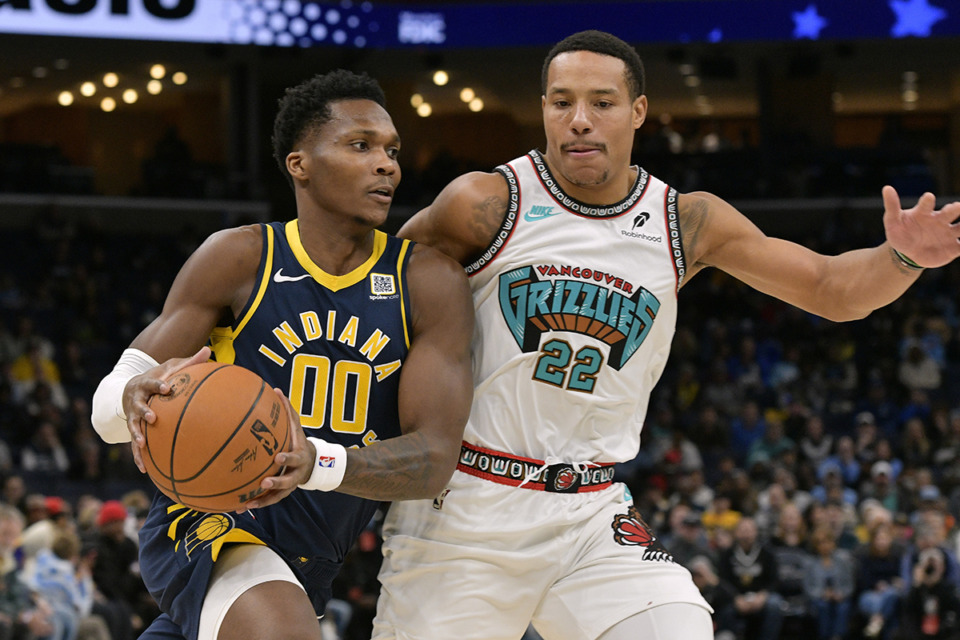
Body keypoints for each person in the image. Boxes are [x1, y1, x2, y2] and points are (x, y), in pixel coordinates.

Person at [371, 28, 960, 640]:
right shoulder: (486, 201)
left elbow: (831, 290)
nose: (578, 120)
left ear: (638, 111)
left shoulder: (684, 220)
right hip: (466, 507)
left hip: (590, 513)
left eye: (601, 102)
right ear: (543, 108)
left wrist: (903, 258)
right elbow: (371, 296)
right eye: (560, 101)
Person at [90, 70, 474, 640]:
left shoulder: (428, 281)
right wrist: (129, 396)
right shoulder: (239, 258)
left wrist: (313, 462)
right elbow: (107, 417)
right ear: (300, 164)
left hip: (315, 558)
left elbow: (433, 459)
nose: (387, 164)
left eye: (392, 150)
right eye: (360, 145)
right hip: (210, 524)